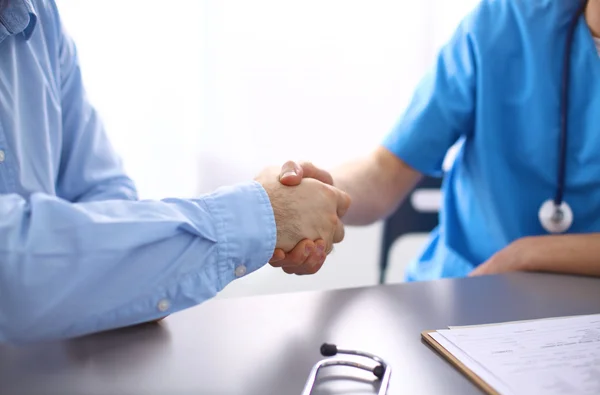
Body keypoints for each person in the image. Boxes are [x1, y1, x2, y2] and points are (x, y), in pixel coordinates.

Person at [0, 0, 350, 343]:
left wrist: (139, 278)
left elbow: (101, 191)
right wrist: (270, 213)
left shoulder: (37, 13)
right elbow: (11, 275)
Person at [272, 0, 600, 280]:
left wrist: (527, 256)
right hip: (466, 289)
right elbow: (386, 170)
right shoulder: (504, 22)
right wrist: (319, 193)